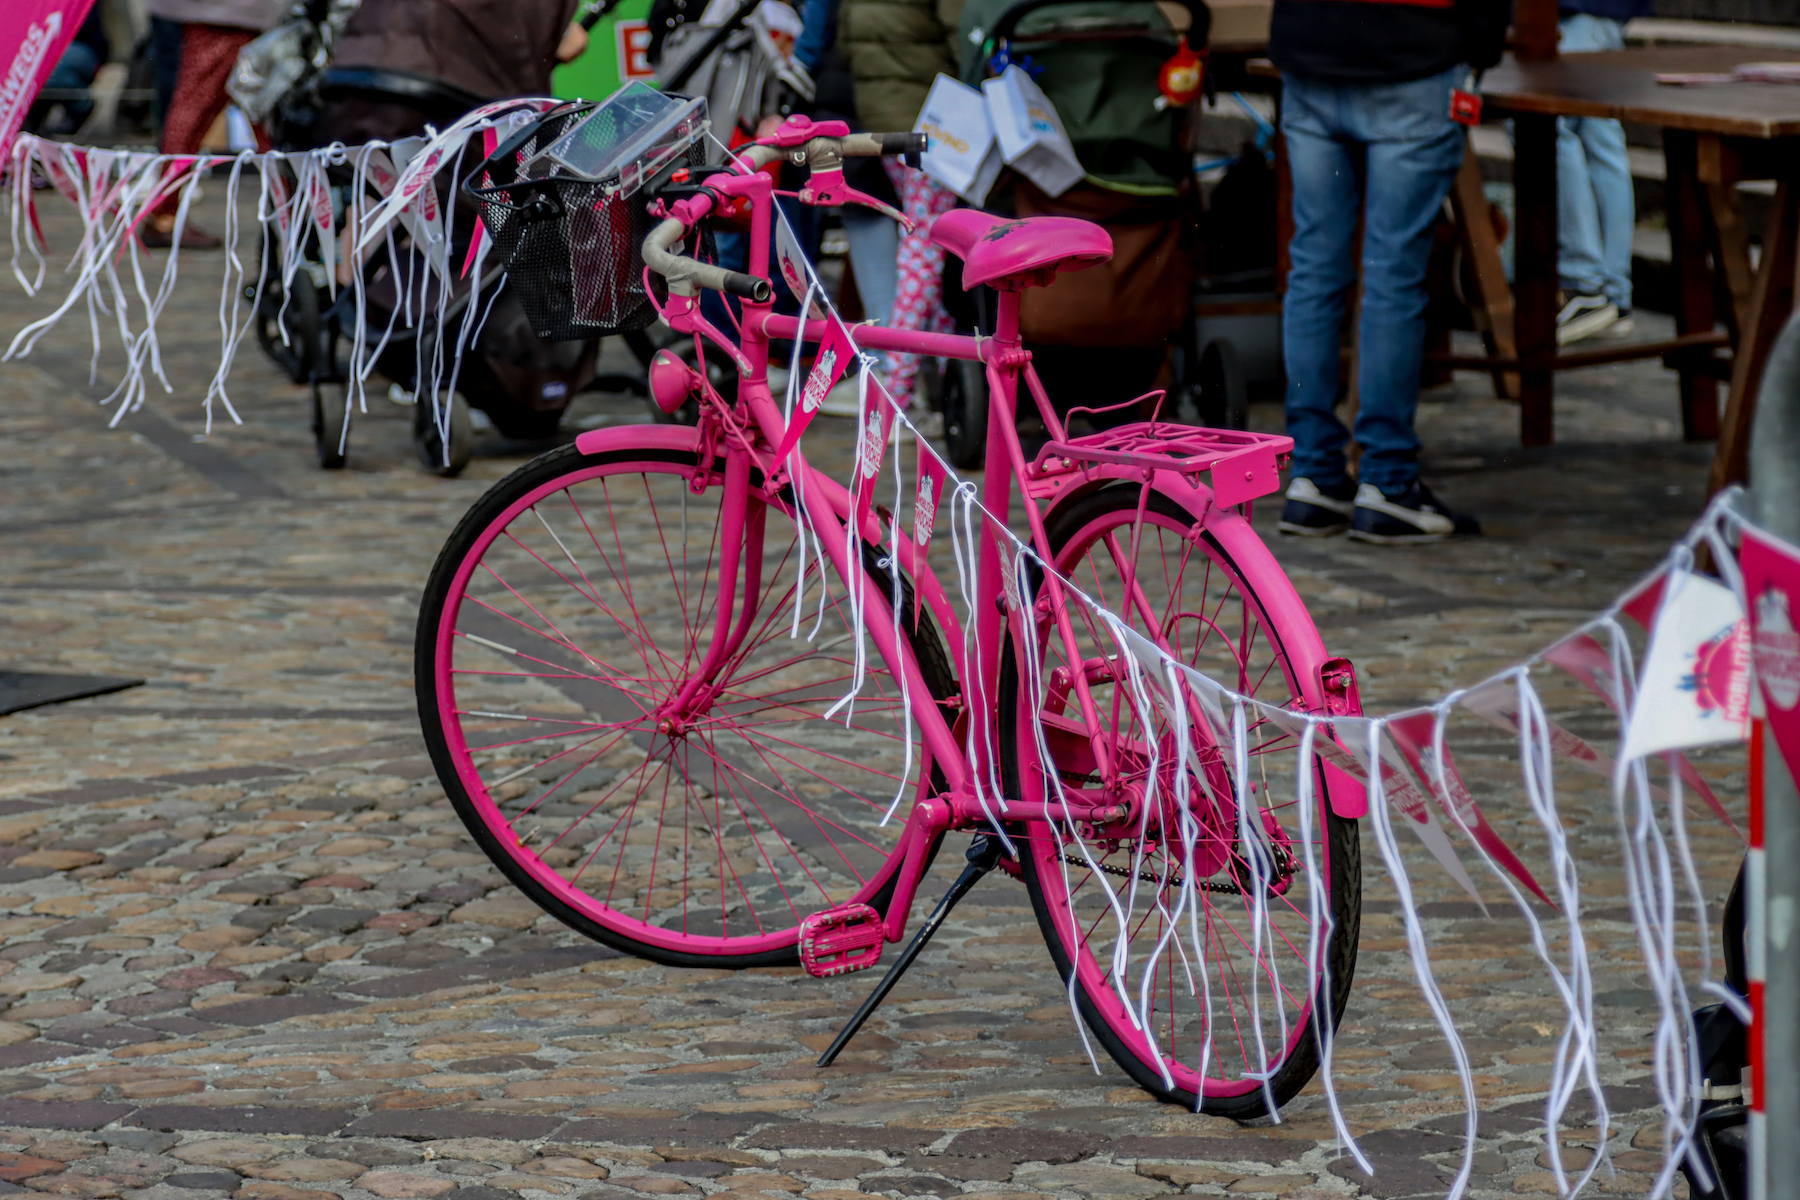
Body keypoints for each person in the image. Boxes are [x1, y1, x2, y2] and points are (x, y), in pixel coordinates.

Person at [1271, 0, 1506, 544]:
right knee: (1391, 274)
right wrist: (1480, 48)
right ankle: (1386, 482)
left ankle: (1313, 472)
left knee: (1313, 269)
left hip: (1313, 47)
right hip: (1414, 51)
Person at [837, 0, 962, 411]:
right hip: (934, 119)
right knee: (926, 251)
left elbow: (845, 43)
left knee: (933, 244)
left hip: (883, 118)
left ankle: (945, 381)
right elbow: (965, 36)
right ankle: (897, 389)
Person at [143, 0, 288, 248]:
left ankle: (291, 206)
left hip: (239, 13)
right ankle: (163, 212)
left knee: (260, 109)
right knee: (198, 108)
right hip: (226, 12)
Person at [1552, 0, 1648, 345]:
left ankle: (1585, 281)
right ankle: (1612, 291)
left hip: (1580, 9)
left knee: (1547, 125)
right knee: (1598, 136)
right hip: (1602, 10)